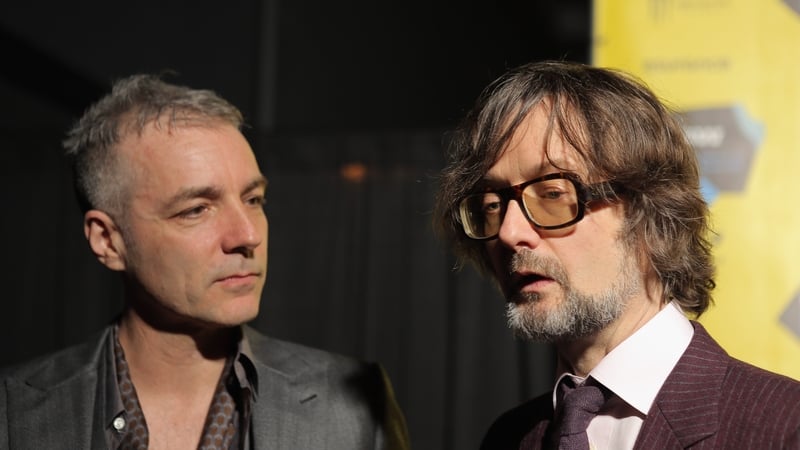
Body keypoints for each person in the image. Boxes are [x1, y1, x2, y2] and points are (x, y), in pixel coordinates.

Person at [0, 74, 409, 450]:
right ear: (108, 240)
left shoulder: (354, 405)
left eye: (253, 200)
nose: (247, 236)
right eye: (196, 209)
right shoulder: (12, 413)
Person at [434, 60, 800, 449]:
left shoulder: (783, 428)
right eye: (492, 204)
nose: (509, 233)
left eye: (554, 194)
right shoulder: (508, 439)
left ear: (649, 210)